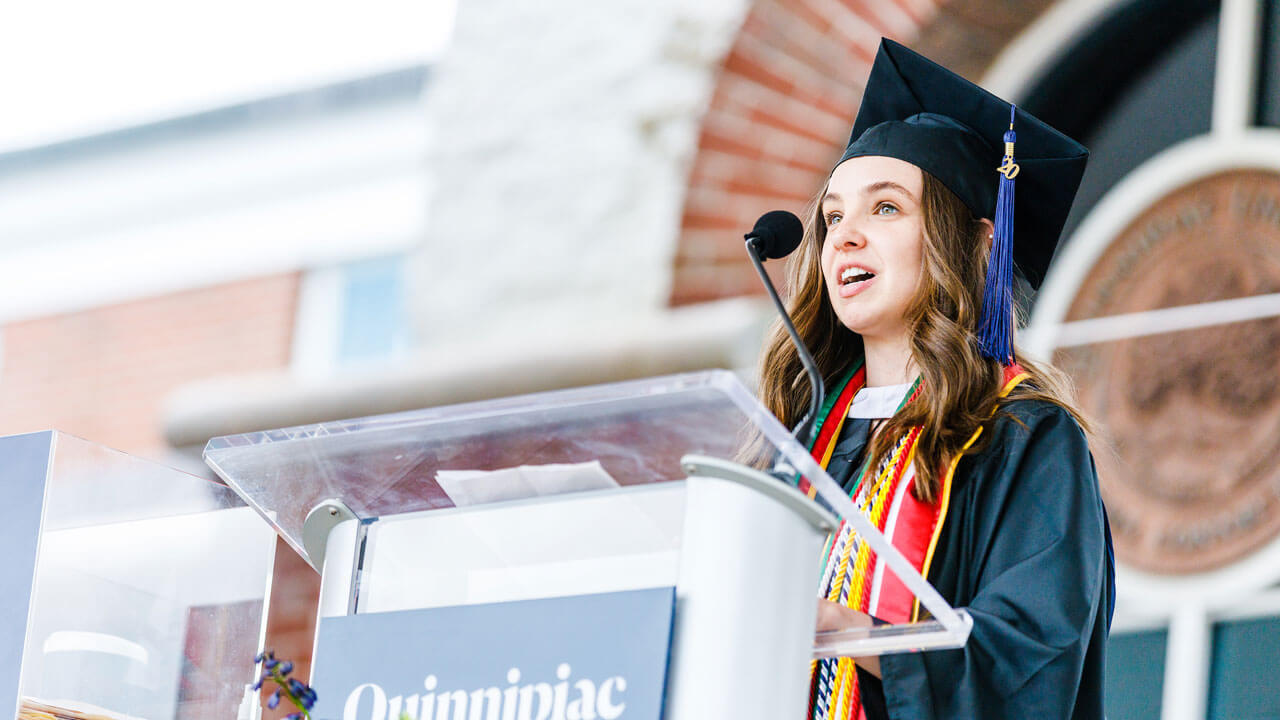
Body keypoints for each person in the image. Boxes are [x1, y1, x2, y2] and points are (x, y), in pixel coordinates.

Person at [755, 39, 1115, 719]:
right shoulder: (796, 446)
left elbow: (1032, 659)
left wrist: (851, 632)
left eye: (884, 209)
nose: (845, 236)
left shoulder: (1022, 435)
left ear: (975, 241)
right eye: (833, 216)